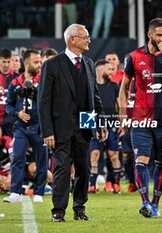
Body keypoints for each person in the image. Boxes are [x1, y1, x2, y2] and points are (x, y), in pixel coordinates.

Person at [38, 23, 107, 222]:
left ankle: (80, 209)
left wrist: (100, 121)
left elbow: (95, 96)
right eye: (85, 37)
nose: (89, 40)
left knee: (83, 168)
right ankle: (58, 211)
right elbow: (43, 102)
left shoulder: (89, 64)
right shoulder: (51, 64)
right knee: (61, 169)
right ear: (72, 40)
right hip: (60, 128)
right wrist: (47, 131)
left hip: (85, 125)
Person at [119, 18, 162, 218]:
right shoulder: (134, 57)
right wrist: (123, 115)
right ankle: (145, 202)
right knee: (141, 159)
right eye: (159, 35)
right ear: (149, 34)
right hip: (141, 119)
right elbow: (123, 88)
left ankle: (155, 204)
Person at [4, 49, 48, 203]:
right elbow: (8, 106)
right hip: (21, 127)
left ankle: (39, 193)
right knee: (17, 157)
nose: (39, 65)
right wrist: (18, 114)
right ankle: (15, 192)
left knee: (42, 160)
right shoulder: (15, 83)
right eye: (36, 62)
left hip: (40, 126)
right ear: (27, 63)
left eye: (40, 61)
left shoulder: (44, 80)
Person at [88, 60, 121, 194]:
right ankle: (92, 185)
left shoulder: (114, 86)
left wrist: (121, 123)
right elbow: (85, 107)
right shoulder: (90, 86)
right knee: (94, 155)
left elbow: (119, 107)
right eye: (109, 69)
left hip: (111, 125)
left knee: (113, 155)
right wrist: (89, 127)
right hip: (95, 126)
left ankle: (116, 184)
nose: (112, 71)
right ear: (101, 70)